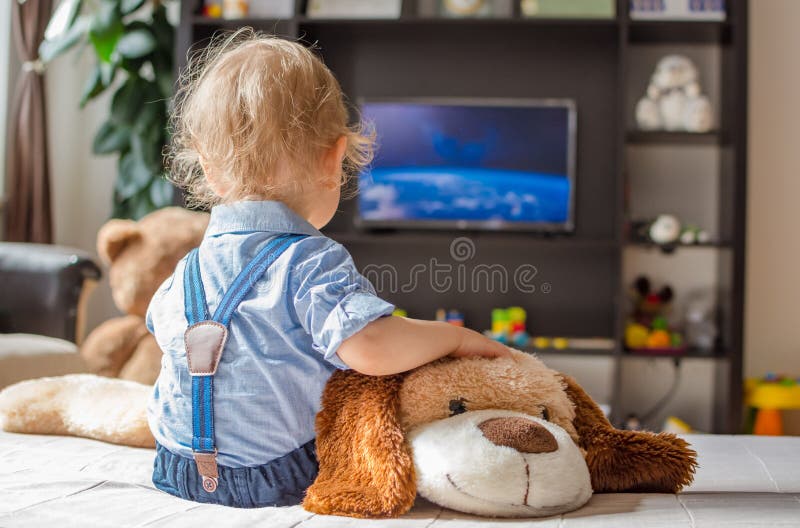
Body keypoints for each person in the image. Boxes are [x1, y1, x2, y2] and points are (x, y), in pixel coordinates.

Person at [146, 30, 511, 508]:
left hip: (176, 465)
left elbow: (161, 327)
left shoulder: (186, 270)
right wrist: (457, 337)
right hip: (274, 472)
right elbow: (371, 346)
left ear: (208, 169)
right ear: (334, 159)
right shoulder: (310, 259)